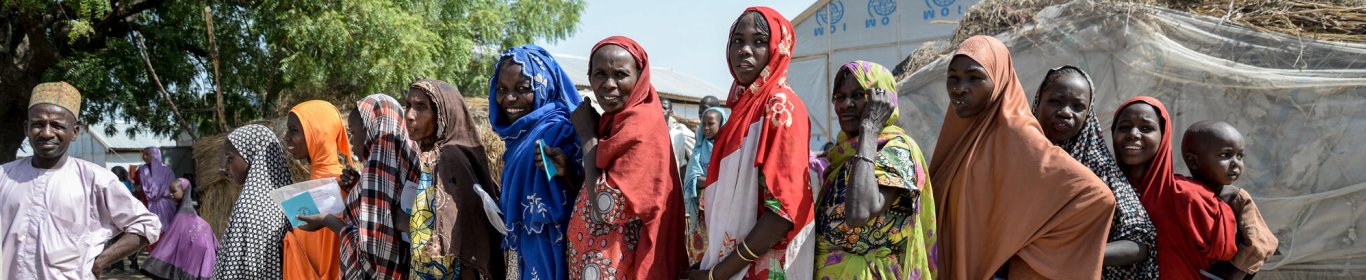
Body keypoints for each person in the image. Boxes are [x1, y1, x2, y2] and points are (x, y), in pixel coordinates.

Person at [930, 35, 1116, 279]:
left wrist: (1022, 254)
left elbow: (1096, 197)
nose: (959, 87)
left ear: (998, 80)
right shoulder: (960, 134)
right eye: (953, 77)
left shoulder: (1016, 134)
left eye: (975, 78)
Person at [694, 7, 817, 280]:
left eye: (759, 41)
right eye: (738, 41)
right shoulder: (742, 110)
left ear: (777, 47)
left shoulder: (780, 106)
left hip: (765, 268)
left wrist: (717, 273)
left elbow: (782, 213)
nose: (745, 50)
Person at [0, 81, 162, 279]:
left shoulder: (95, 180)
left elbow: (147, 224)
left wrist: (101, 261)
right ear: (27, 128)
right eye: (38, 124)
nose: (47, 133)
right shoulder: (4, 176)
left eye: (58, 126)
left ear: (74, 132)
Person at [558, 35, 685, 280]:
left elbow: (609, 207)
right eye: (600, 74)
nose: (608, 84)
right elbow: (596, 188)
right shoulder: (612, 123)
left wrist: (587, 136)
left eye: (620, 74)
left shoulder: (641, 127)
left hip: (620, 268)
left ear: (639, 78)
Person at [1031, 65, 1158, 279]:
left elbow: (1140, 242)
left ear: (1088, 114)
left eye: (1078, 106)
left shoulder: (1098, 168)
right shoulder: (1016, 153)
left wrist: (1072, 254)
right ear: (1037, 102)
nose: (1065, 112)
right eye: (1055, 101)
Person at [815, 61, 937, 279]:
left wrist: (870, 130)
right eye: (840, 97)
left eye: (858, 95)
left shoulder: (896, 150)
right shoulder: (841, 154)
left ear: (882, 102)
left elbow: (859, 213)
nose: (846, 105)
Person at [1110, 97, 1237, 278]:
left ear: (1163, 136)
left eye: (1146, 128)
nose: (1133, 134)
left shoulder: (1187, 195)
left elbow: (1225, 252)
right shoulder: (1103, 193)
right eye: (1124, 127)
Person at [488, 44, 583, 280]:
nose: (510, 98)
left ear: (543, 87)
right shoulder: (517, 140)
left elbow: (590, 195)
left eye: (522, 88)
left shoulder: (558, 129)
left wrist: (568, 172)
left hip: (556, 252)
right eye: (502, 89)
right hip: (523, 255)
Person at [299, 94, 417, 279]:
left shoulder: (377, 172)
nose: (351, 141)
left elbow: (372, 247)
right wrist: (358, 185)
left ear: (370, 129)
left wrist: (326, 220)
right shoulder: (411, 165)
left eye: (353, 133)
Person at [407, 79, 506, 279]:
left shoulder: (446, 159)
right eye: (408, 105)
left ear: (443, 115)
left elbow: (464, 241)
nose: (409, 115)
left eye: (421, 107)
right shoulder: (432, 156)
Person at [1179, 121, 1277, 279]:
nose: (1236, 164)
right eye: (1225, 155)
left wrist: (1234, 273)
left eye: (1240, 156)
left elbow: (1261, 241)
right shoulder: (1181, 193)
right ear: (1193, 161)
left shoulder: (1236, 198)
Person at [280, 100, 351, 280]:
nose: (286, 137)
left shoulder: (343, 186)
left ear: (318, 134)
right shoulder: (316, 184)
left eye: (293, 130)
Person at [214, 124, 294, 279]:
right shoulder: (288, 197)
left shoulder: (250, 205)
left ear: (252, 156)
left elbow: (240, 270)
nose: (225, 167)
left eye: (230, 159)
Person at [142, 178, 218, 280]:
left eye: (174, 191)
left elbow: (170, 243)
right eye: (170, 191)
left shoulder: (181, 217)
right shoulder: (187, 216)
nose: (170, 194)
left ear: (184, 191)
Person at [682, 106, 728, 265]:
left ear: (721, 124)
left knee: (721, 248)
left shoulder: (728, 148)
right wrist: (716, 180)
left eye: (711, 123)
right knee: (700, 249)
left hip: (723, 206)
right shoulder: (699, 149)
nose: (706, 128)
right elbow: (691, 178)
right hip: (702, 210)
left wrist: (707, 180)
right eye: (704, 124)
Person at [140, 147, 178, 235]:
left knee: (167, 232)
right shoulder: (142, 171)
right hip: (148, 204)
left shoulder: (167, 171)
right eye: (143, 155)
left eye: (147, 154)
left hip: (165, 205)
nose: (145, 157)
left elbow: (172, 188)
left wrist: (160, 193)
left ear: (155, 155)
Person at [663, 98, 697, 178]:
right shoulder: (649, 132)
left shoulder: (678, 134)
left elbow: (681, 164)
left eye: (664, 108)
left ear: (671, 112)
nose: (661, 110)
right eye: (658, 107)